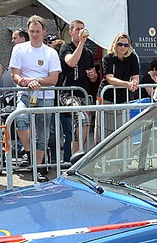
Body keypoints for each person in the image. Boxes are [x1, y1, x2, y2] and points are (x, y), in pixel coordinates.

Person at [10, 14, 61, 183]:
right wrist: (23, 81)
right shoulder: (19, 49)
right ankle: (30, 153)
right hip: (24, 94)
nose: (35, 34)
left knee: (42, 134)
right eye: (32, 31)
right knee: (20, 120)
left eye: (38, 31)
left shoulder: (51, 52)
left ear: (44, 32)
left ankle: (37, 168)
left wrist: (35, 81)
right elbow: (14, 75)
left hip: (45, 96)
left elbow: (53, 79)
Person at [59, 20, 97, 159]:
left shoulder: (88, 52)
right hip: (68, 93)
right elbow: (71, 62)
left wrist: (93, 75)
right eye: (77, 29)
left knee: (83, 126)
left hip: (83, 93)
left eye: (82, 29)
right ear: (70, 32)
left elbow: (94, 77)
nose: (80, 31)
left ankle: (78, 155)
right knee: (81, 120)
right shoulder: (65, 48)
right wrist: (81, 43)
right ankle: (76, 158)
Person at [95, 32, 139, 140]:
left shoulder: (132, 58)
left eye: (126, 45)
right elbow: (109, 78)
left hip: (124, 97)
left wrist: (133, 83)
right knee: (103, 130)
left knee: (123, 130)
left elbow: (136, 77)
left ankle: (123, 155)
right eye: (120, 44)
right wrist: (127, 84)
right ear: (115, 44)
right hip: (106, 96)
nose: (123, 47)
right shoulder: (108, 58)